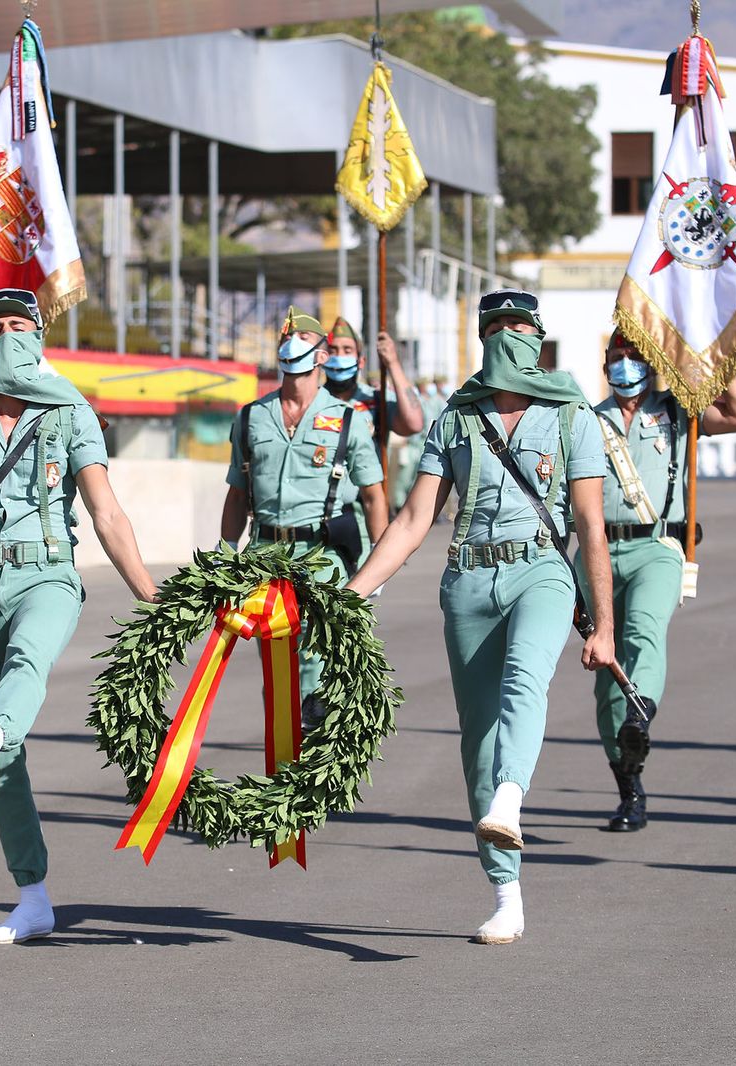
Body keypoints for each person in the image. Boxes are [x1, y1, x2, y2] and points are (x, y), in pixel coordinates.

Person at [347, 288, 615, 945]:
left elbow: (590, 523)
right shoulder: (457, 416)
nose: (507, 334)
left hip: (542, 570)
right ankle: (506, 892)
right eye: (496, 325)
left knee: (527, 678)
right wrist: (354, 593)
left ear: (538, 335)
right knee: (479, 741)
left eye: (519, 325)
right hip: (468, 578)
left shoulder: (570, 412)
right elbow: (413, 520)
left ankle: (511, 799)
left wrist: (603, 623)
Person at [0, 288, 158, 945]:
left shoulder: (69, 410)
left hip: (47, 573)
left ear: (40, 336)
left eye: (21, 325)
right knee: (4, 762)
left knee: (27, 666)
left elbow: (105, 511)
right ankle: (33, 897)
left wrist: (149, 593)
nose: (7, 336)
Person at [584, 331, 736, 832]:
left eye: (633, 355)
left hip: (657, 545)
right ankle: (629, 786)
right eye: (614, 357)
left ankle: (642, 713)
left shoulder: (680, 411)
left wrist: (695, 359)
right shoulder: (587, 422)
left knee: (643, 630)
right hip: (595, 551)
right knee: (605, 671)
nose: (623, 365)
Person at [219, 308, 388, 718]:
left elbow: (373, 496)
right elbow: (238, 493)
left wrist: (379, 565)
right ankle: (285, 747)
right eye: (285, 339)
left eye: (302, 339)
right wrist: (225, 552)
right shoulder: (251, 417)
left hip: (323, 553)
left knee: (313, 654)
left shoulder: (349, 420)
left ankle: (307, 733)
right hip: (265, 553)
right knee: (277, 660)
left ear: (322, 356)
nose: (290, 344)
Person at [322, 317, 423, 569]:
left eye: (347, 350)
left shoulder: (375, 400)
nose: (339, 357)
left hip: (363, 512)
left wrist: (393, 363)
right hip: (318, 512)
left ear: (361, 360)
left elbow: (413, 423)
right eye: (333, 351)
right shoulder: (314, 401)